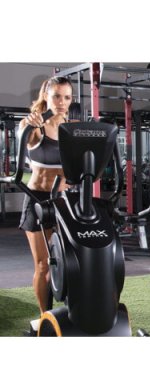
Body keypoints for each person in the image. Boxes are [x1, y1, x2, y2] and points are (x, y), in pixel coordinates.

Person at [19, 76, 73, 314]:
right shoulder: (33, 125)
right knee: (43, 265)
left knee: (69, 263)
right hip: (37, 199)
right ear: (46, 96)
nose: (62, 102)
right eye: (57, 96)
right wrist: (30, 125)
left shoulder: (72, 128)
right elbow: (26, 137)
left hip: (64, 202)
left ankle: (70, 312)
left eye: (67, 97)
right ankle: (44, 318)